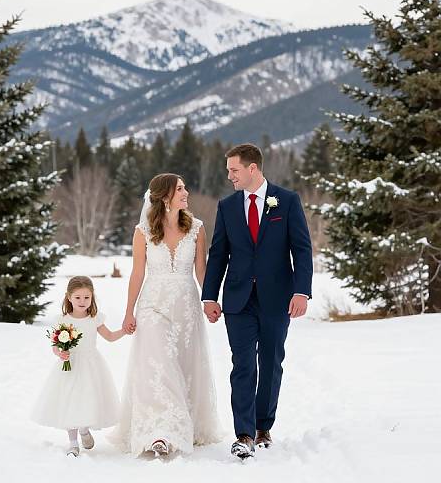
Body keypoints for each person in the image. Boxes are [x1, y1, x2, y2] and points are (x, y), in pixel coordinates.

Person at [202, 143, 313, 459]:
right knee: (243, 365)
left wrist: (301, 291)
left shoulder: (287, 202)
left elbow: (302, 250)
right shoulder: (227, 206)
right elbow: (219, 254)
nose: (230, 176)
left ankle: (264, 426)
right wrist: (210, 296)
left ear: (253, 168)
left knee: (271, 363)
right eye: (228, 171)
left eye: (234, 170)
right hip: (238, 300)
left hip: (278, 298)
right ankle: (245, 434)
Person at [109, 173, 222, 456]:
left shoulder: (196, 228)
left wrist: (210, 300)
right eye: (180, 189)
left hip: (186, 306)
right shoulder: (143, 231)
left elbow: (201, 270)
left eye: (185, 187)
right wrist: (128, 312)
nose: (186, 192)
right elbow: (137, 273)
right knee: (157, 365)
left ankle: (184, 425)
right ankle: (159, 432)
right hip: (152, 306)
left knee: (183, 366)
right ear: (164, 196)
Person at [31, 276, 125, 457]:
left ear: (92, 298)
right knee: (70, 400)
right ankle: (73, 443)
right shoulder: (63, 320)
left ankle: (84, 430)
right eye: (78, 297)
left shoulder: (94, 318)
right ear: (69, 297)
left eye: (86, 297)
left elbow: (111, 337)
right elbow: (55, 345)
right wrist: (60, 352)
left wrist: (125, 331)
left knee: (87, 398)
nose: (82, 302)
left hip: (91, 365)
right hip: (70, 365)